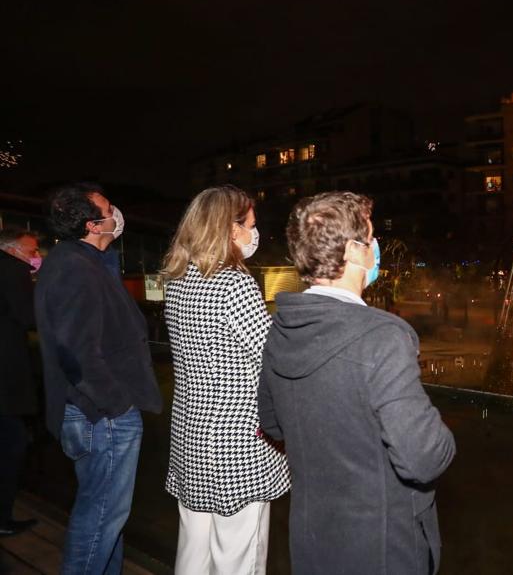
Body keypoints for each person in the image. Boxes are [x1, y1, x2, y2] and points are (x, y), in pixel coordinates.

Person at [258, 191, 455, 574]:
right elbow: (424, 456)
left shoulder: (281, 328)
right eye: (370, 237)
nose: (376, 247)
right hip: (381, 546)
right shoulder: (383, 337)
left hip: (312, 538)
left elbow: (272, 422)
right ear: (352, 251)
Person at [34, 183, 162, 573]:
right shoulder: (74, 265)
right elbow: (76, 352)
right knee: (99, 521)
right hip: (101, 416)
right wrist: (116, 405)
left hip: (96, 413)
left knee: (108, 520)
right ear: (94, 224)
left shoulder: (84, 260)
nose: (116, 214)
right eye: (109, 209)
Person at [161, 186, 289, 574]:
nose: (255, 233)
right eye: (251, 224)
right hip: (237, 440)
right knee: (240, 555)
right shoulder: (234, 283)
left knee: (193, 551)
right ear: (231, 230)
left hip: (192, 432)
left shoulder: (177, 279)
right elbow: (272, 356)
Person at [0, 228, 42, 537]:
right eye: (31, 251)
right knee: (11, 445)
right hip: (6, 378)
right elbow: (29, 316)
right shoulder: (13, 270)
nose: (36, 257)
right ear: (12, 250)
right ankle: (3, 517)